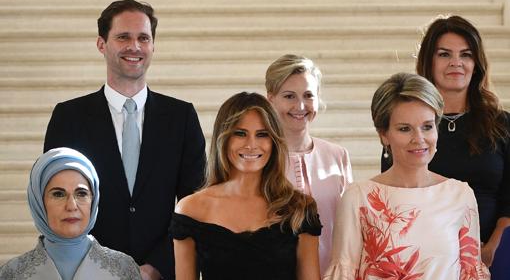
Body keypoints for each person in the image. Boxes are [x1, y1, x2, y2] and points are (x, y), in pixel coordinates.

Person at [43, 0, 206, 279]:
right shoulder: (68, 117)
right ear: (101, 44)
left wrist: (155, 268)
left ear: (153, 45)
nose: (135, 46)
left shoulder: (182, 118)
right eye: (123, 37)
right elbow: (55, 203)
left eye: (144, 38)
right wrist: (98, 267)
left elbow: (196, 206)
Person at [326, 73, 489, 279]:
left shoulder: (460, 195)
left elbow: (470, 273)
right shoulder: (358, 197)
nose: (419, 139)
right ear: (383, 134)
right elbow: (344, 273)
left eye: (427, 127)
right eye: (405, 129)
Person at [381, 15, 510, 268]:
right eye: (444, 54)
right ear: (429, 61)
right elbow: (393, 197)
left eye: (466, 55)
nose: (456, 63)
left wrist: (491, 249)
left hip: (494, 250)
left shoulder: (502, 124)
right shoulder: (408, 124)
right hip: (424, 253)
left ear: (477, 64)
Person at [171, 92, 322, 280]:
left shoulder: (299, 208)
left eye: (262, 135)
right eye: (240, 134)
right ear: (223, 138)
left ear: (274, 142)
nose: (251, 145)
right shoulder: (190, 209)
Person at [265, 54, 353, 275]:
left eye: (308, 95)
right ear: (270, 99)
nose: (300, 106)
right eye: (289, 96)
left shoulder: (337, 155)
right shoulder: (260, 158)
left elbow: (349, 228)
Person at [0, 147, 141, 280]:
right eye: (58, 194)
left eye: (81, 193)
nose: (71, 206)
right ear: (39, 202)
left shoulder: (125, 269)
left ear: (93, 199)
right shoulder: (11, 274)